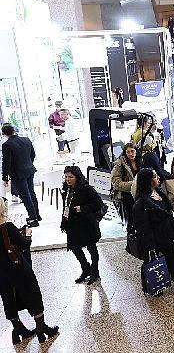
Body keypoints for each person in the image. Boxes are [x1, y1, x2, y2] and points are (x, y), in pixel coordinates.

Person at [0, 199, 59, 344]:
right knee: (32, 294)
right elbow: (25, 244)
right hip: (17, 267)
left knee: (8, 299)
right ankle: (41, 329)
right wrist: (27, 234)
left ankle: (18, 329)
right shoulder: (7, 227)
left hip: (1, 273)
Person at [133, 168, 174, 294]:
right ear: (148, 181)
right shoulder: (141, 203)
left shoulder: (159, 192)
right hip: (154, 237)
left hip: (166, 233)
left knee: (172, 257)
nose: (158, 178)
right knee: (152, 261)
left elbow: (168, 212)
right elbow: (143, 227)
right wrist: (149, 245)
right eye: (155, 176)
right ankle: (151, 285)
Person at [60, 166, 104, 285]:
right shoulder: (66, 188)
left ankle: (95, 271)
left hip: (86, 224)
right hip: (72, 224)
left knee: (91, 248)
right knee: (74, 247)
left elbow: (99, 204)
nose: (68, 179)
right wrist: (63, 221)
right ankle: (86, 269)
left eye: (71, 177)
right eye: (66, 177)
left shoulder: (86, 189)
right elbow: (66, 206)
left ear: (77, 177)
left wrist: (83, 208)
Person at [1, 124, 40, 227]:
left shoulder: (7, 145)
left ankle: (33, 219)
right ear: (14, 130)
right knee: (31, 193)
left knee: (25, 196)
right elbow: (32, 155)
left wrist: (5, 177)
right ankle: (37, 215)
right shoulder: (26, 139)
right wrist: (28, 164)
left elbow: (6, 163)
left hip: (18, 174)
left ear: (4, 134)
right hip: (29, 170)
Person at [111, 143, 140, 228]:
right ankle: (131, 237)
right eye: (128, 152)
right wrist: (133, 184)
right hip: (127, 195)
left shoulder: (140, 160)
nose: (131, 154)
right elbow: (116, 182)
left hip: (140, 193)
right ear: (125, 153)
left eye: (132, 151)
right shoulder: (119, 164)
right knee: (131, 217)